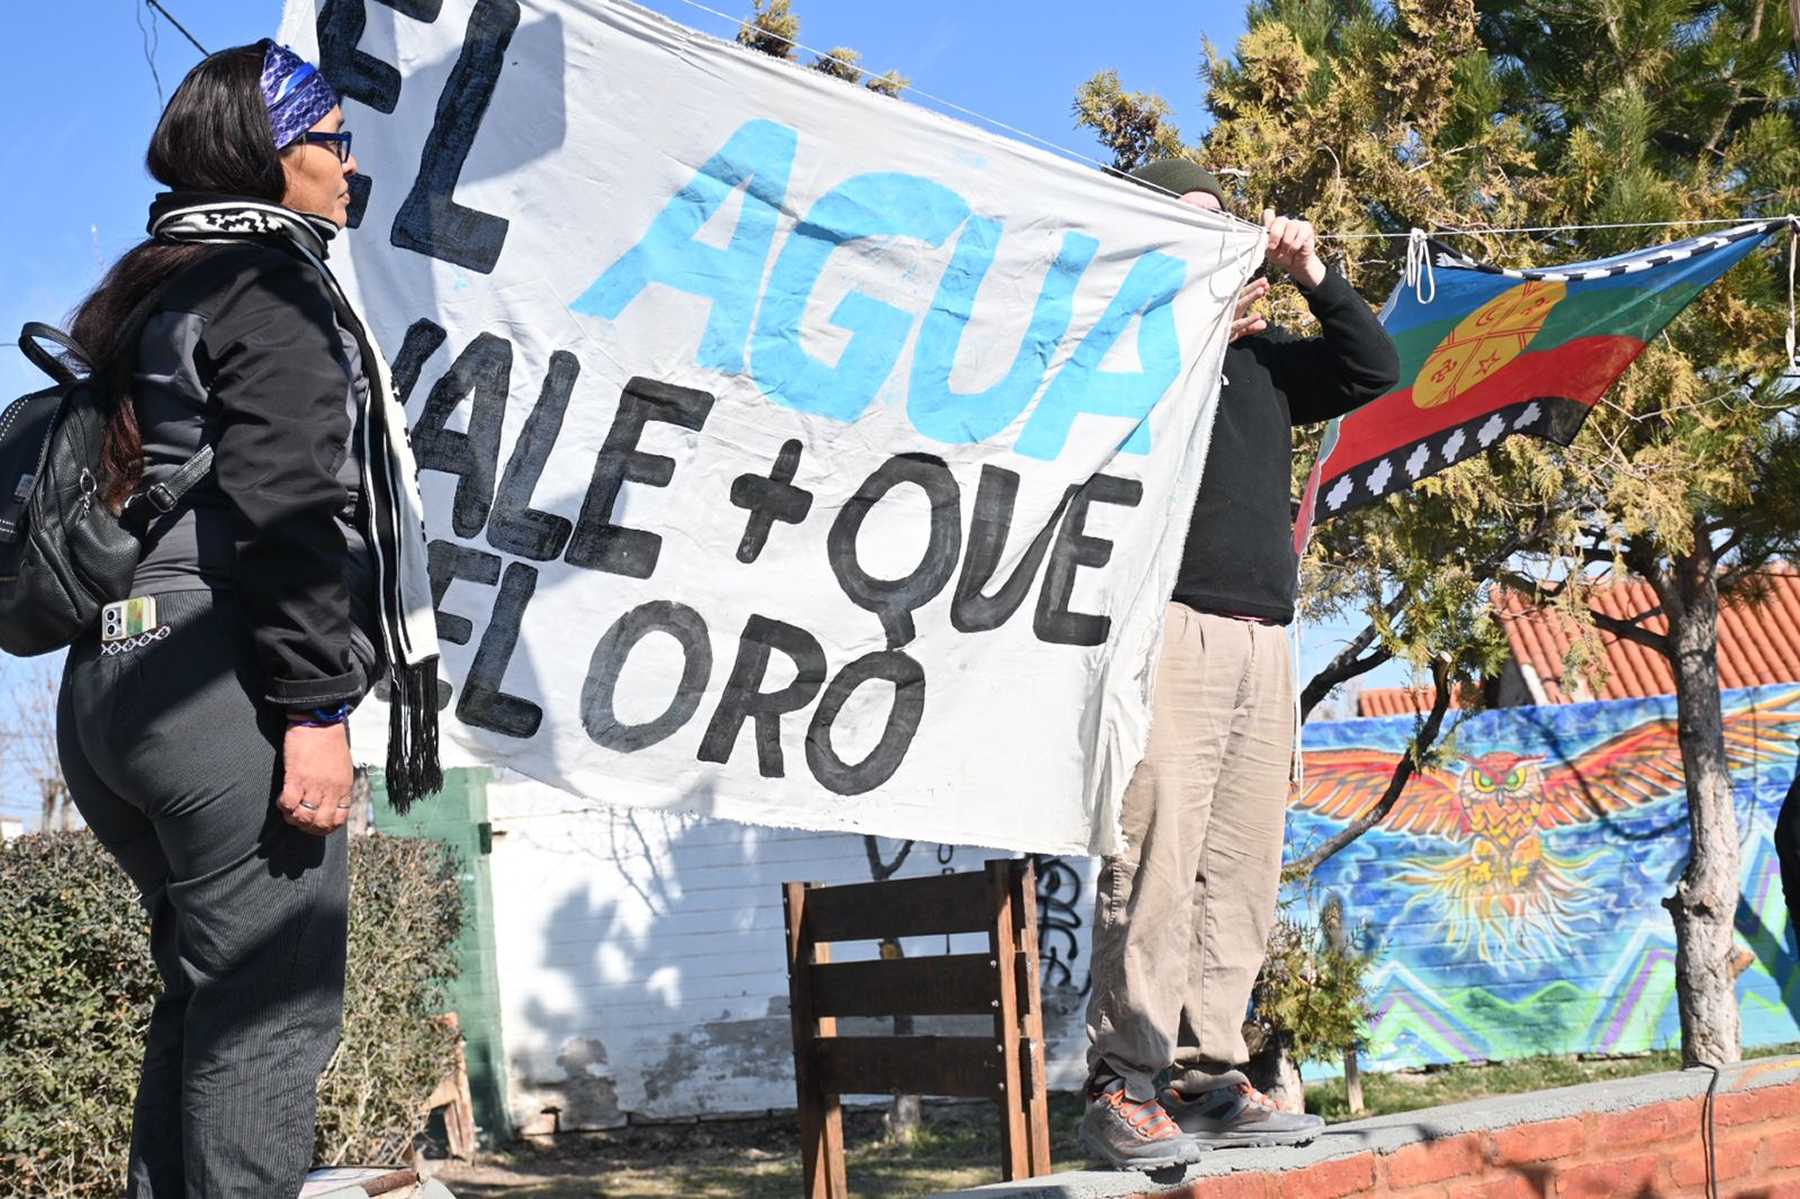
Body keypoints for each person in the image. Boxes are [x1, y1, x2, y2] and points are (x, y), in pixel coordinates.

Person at [56, 41, 442, 1197]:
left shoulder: (148, 285)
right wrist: (318, 707)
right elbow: (294, 506)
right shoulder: (269, 285)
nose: (348, 159)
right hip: (218, 686)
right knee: (270, 1013)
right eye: (331, 139)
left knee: (207, 998)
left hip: (111, 683)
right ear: (274, 157)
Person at [1079, 159, 1400, 1169]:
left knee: (1242, 868)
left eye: (1224, 227)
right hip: (1166, 630)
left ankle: (1207, 1069)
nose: (1214, 245)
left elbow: (1374, 370)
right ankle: (1121, 1081)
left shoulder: (1263, 364)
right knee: (1155, 856)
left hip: (1267, 639)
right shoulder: (1125, 356)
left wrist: (1310, 269)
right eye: (1185, 228)